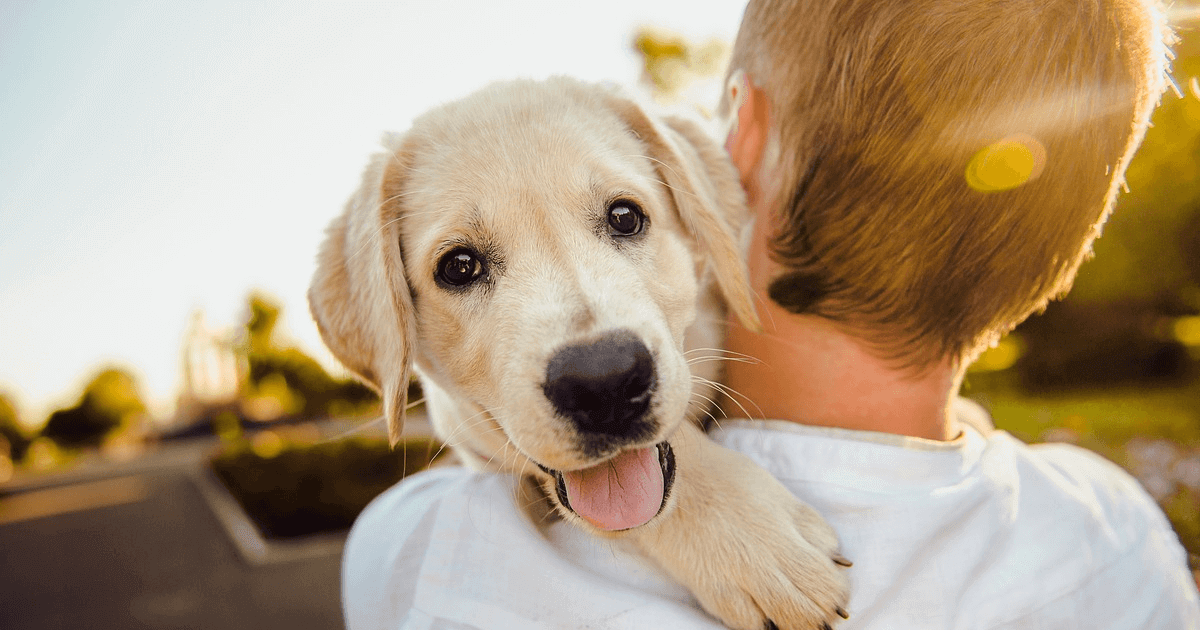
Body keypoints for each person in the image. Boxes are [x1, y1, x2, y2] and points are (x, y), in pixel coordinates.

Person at [341, 0, 1200, 628]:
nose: (594, 351)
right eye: (463, 266)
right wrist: (688, 492)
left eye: (624, 219)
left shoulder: (420, 558)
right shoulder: (1119, 535)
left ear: (735, 145)